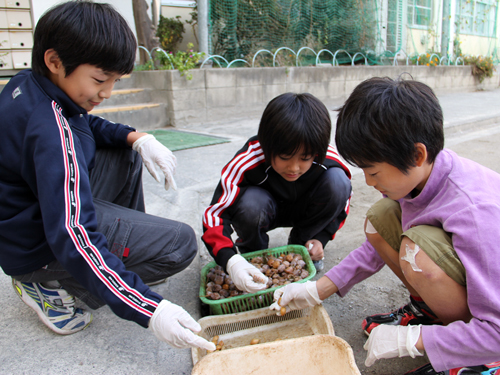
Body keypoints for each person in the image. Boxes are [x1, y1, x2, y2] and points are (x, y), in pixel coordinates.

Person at [0, 0, 215, 352]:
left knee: (125, 153)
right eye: (101, 80)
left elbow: (86, 124)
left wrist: (138, 138)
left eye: (115, 81)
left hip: (23, 220)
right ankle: (51, 283)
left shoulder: (31, 83)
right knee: (179, 243)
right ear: (55, 61)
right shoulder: (52, 133)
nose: (107, 93)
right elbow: (72, 233)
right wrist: (148, 309)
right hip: (38, 244)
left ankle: (118, 259)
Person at [269, 76, 500, 374]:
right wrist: (316, 290)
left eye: (374, 171)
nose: (368, 181)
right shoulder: (422, 177)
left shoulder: (475, 211)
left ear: (417, 154)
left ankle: (479, 357)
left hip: (493, 323)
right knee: (380, 219)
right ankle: (433, 316)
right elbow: (373, 250)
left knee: (416, 252)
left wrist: (415, 341)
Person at [202, 92, 352, 294]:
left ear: (317, 152)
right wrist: (230, 260)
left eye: (305, 158)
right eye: (284, 157)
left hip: (305, 210)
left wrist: (322, 236)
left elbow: (343, 201)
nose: (294, 167)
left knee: (338, 183)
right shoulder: (249, 159)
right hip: (263, 209)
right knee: (251, 204)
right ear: (267, 145)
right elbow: (215, 214)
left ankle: (300, 248)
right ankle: (254, 257)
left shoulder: (327, 158)